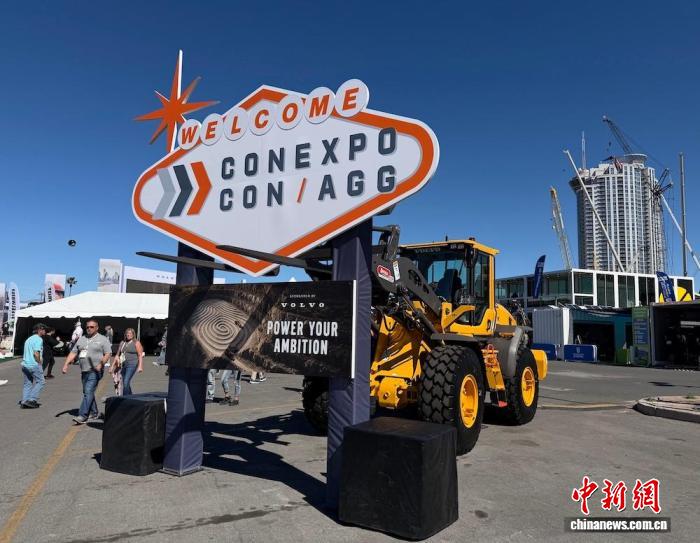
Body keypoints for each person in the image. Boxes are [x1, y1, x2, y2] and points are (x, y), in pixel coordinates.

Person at [62, 319, 112, 424]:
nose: (89, 329)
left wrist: (101, 364)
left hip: (95, 370)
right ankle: (94, 412)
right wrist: (66, 364)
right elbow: (73, 352)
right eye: (87, 327)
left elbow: (108, 353)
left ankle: (82, 415)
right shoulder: (82, 339)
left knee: (88, 391)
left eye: (92, 327)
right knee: (87, 392)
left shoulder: (102, 339)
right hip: (84, 370)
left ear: (97, 328)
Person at [20, 323, 47, 408]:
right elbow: (36, 353)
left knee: (27, 383)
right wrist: (39, 362)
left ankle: (24, 401)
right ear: (39, 330)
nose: (45, 331)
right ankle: (31, 399)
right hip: (33, 364)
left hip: (25, 364)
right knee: (41, 381)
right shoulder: (38, 339)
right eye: (44, 329)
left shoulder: (29, 339)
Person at [114, 328, 144, 395]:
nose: (128, 334)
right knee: (126, 382)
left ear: (133, 334)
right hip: (123, 364)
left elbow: (140, 355)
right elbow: (118, 354)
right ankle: (130, 396)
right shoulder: (123, 343)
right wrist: (115, 365)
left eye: (130, 333)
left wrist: (140, 366)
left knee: (126, 382)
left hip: (132, 364)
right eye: (127, 333)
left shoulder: (136, 343)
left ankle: (125, 398)